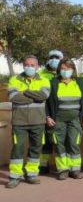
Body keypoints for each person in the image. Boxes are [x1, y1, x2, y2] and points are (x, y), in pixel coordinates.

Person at [6, 56, 51, 189]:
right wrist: (33, 97)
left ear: (37, 66)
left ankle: (31, 174)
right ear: (23, 66)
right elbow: (13, 97)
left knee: (36, 148)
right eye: (27, 65)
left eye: (32, 65)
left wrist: (25, 91)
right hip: (19, 122)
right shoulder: (14, 79)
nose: (29, 67)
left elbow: (44, 96)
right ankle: (15, 176)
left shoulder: (44, 80)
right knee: (17, 148)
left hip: (38, 121)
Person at [46, 59, 83, 180]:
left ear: (73, 70)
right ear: (59, 70)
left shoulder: (79, 82)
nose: (65, 71)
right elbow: (46, 102)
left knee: (74, 143)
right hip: (58, 118)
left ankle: (74, 170)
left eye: (68, 68)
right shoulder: (53, 83)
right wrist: (47, 116)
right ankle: (63, 170)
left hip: (75, 119)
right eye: (63, 69)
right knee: (59, 144)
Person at [38, 49, 63, 174]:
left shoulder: (64, 73)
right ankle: (43, 164)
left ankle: (61, 166)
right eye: (52, 57)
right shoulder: (41, 74)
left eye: (57, 58)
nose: (54, 60)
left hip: (60, 111)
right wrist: (46, 115)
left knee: (60, 141)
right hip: (44, 110)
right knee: (46, 140)